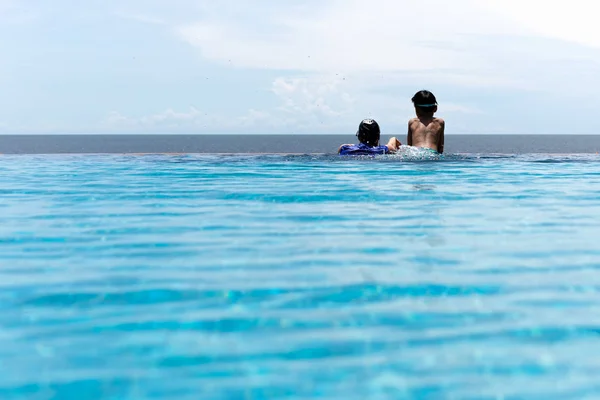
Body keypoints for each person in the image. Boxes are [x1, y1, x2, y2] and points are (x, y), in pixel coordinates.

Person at [407, 90, 445, 154]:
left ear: (416, 108)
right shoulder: (440, 122)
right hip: (432, 153)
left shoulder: (412, 122)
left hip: (416, 153)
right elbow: (440, 147)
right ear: (435, 108)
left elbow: (409, 147)